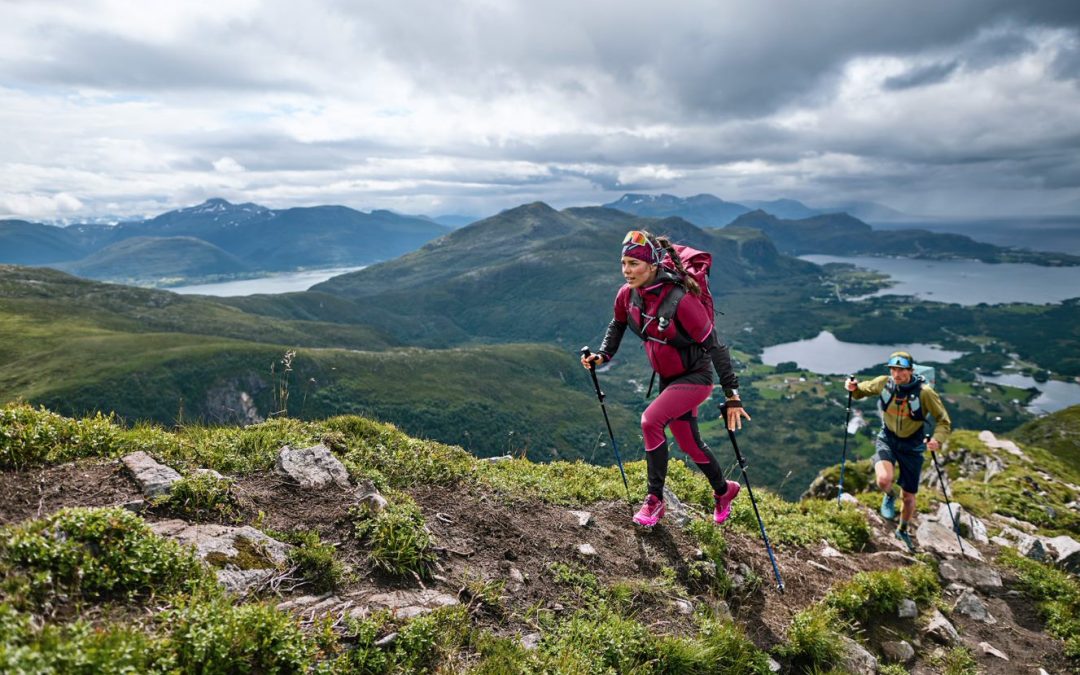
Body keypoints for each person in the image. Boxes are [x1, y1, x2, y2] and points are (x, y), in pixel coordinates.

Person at [580, 229, 750, 527]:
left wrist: (732, 396)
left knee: (650, 420)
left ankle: (655, 500)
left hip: (695, 376)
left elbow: (716, 347)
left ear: (653, 265)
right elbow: (618, 324)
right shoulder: (627, 295)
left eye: (634, 263)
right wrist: (602, 355)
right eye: (624, 263)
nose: (627, 271)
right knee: (689, 443)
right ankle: (725, 491)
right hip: (668, 378)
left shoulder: (680, 300)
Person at [845, 351, 952, 552]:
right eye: (893, 369)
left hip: (912, 446)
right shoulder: (884, 383)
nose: (896, 374)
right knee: (883, 480)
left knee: (909, 497)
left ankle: (902, 529)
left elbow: (943, 420)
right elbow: (860, 390)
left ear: (911, 370)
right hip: (888, 438)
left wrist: (937, 439)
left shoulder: (925, 392)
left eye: (901, 370)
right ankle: (889, 495)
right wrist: (852, 387)